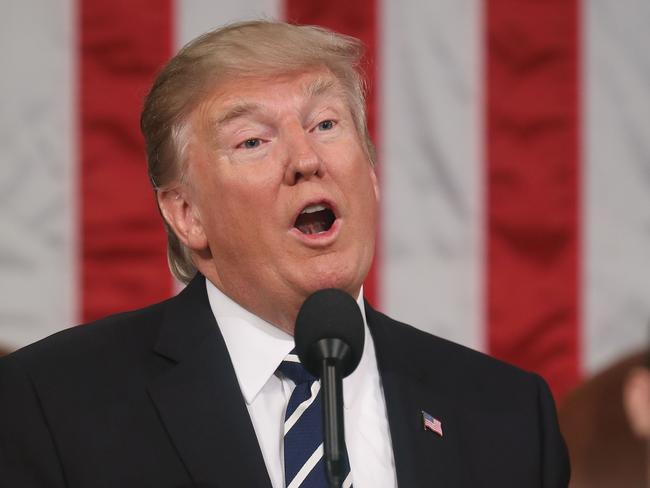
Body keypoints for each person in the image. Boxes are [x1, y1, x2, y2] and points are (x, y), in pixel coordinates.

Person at [0, 21, 570, 488]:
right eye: (253, 140)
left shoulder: (510, 417)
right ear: (186, 214)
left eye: (325, 124)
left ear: (371, 176)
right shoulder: (52, 405)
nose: (305, 158)